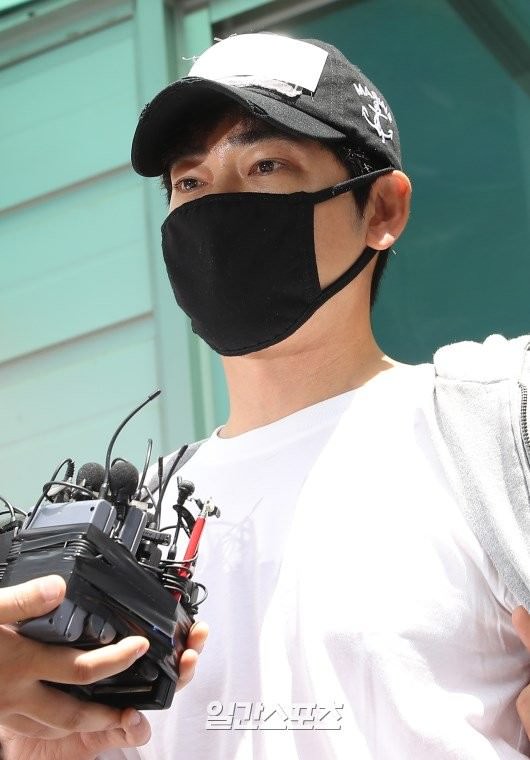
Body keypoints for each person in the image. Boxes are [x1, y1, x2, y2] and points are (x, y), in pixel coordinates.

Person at [1, 31, 530, 760]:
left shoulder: (490, 424)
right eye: (190, 183)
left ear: (381, 209)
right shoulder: (132, 522)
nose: (217, 208)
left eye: (266, 166)